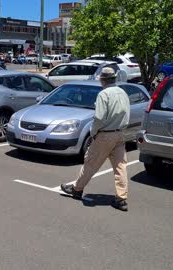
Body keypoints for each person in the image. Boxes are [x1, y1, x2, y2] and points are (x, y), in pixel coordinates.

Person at [60, 67, 131, 211]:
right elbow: (126, 113)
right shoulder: (122, 92)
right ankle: (121, 199)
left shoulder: (103, 94)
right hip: (120, 133)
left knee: (90, 162)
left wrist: (93, 132)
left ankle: (77, 189)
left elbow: (99, 117)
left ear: (102, 79)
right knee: (120, 167)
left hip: (105, 134)